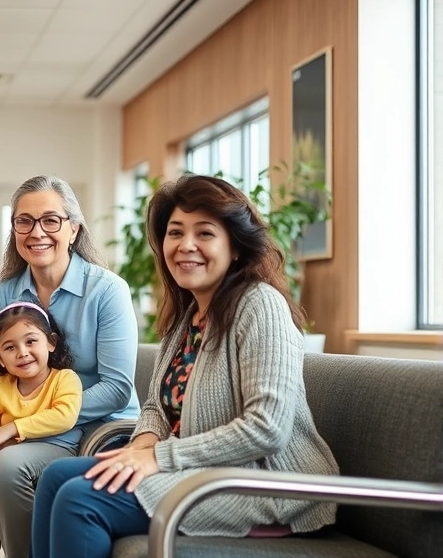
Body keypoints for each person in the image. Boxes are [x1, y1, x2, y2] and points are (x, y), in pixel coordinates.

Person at [31, 175, 340, 558]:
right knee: (55, 477)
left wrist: (157, 458)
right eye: (175, 232)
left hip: (266, 482)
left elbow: (266, 429)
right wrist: (141, 447)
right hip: (203, 470)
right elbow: (156, 409)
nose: (186, 245)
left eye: (205, 233)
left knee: (80, 499)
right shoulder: (187, 316)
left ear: (236, 247)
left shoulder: (260, 305)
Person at [0, 175, 140, 557]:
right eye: (25, 221)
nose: (37, 232)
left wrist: (35, 418)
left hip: (99, 427)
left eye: (51, 220)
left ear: (73, 228)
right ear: (14, 230)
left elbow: (117, 387)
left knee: (7, 468)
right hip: (29, 428)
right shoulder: (4, 292)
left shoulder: (107, 290)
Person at [0, 302, 82, 558]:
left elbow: (64, 416)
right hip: (0, 460)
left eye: (31, 341)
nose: (22, 353)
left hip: (57, 449)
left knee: (7, 462)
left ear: (51, 343)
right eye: (10, 347)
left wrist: (12, 428)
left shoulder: (64, 379)